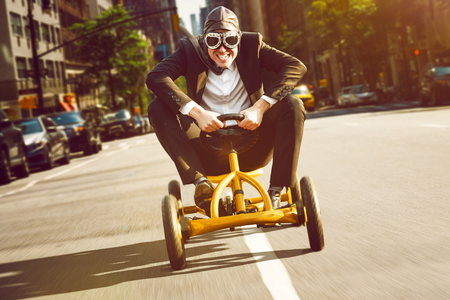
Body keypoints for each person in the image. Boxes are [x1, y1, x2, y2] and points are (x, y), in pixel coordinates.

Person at [146, 6, 307, 216]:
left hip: (254, 144)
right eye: (214, 41)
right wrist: (198, 113)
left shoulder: (253, 45)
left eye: (230, 41)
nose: (222, 50)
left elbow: (295, 66)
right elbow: (155, 77)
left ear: (239, 38)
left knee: (293, 104)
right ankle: (201, 183)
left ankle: (277, 189)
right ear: (204, 41)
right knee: (156, 107)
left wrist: (259, 107)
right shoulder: (189, 51)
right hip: (208, 150)